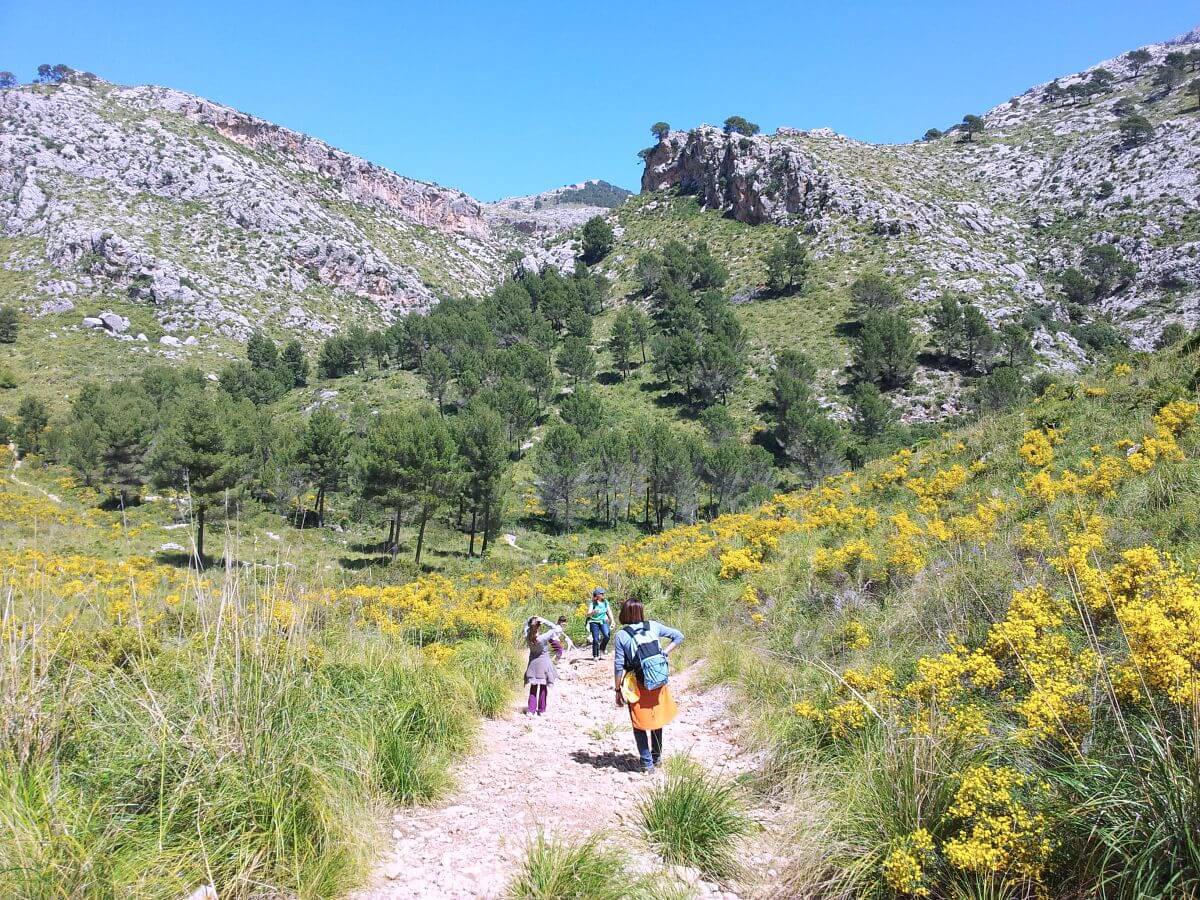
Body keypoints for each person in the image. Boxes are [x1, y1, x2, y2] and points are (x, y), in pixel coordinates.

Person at [612, 598, 684, 773]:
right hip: (658, 681)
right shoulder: (653, 625)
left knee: (639, 723)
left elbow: (618, 665)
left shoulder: (622, 635)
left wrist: (617, 690)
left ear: (624, 613)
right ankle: (657, 757)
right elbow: (679, 636)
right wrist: (664, 653)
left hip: (637, 683)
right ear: (641, 612)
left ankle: (647, 764)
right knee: (656, 719)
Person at [524, 616, 564, 715]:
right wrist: (544, 620)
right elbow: (556, 628)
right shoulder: (543, 638)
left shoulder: (528, 637)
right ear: (538, 627)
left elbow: (525, 627)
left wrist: (531, 620)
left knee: (533, 688)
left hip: (533, 664)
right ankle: (541, 710)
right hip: (544, 664)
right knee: (543, 687)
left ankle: (531, 710)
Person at [586, 587, 615, 660]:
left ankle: (602, 649)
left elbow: (609, 611)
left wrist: (612, 620)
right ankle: (595, 655)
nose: (603, 594)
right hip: (594, 622)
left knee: (607, 636)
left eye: (603, 593)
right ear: (597, 595)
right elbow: (588, 614)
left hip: (603, 621)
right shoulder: (593, 603)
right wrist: (593, 612)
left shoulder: (605, 602)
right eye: (601, 593)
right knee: (595, 639)